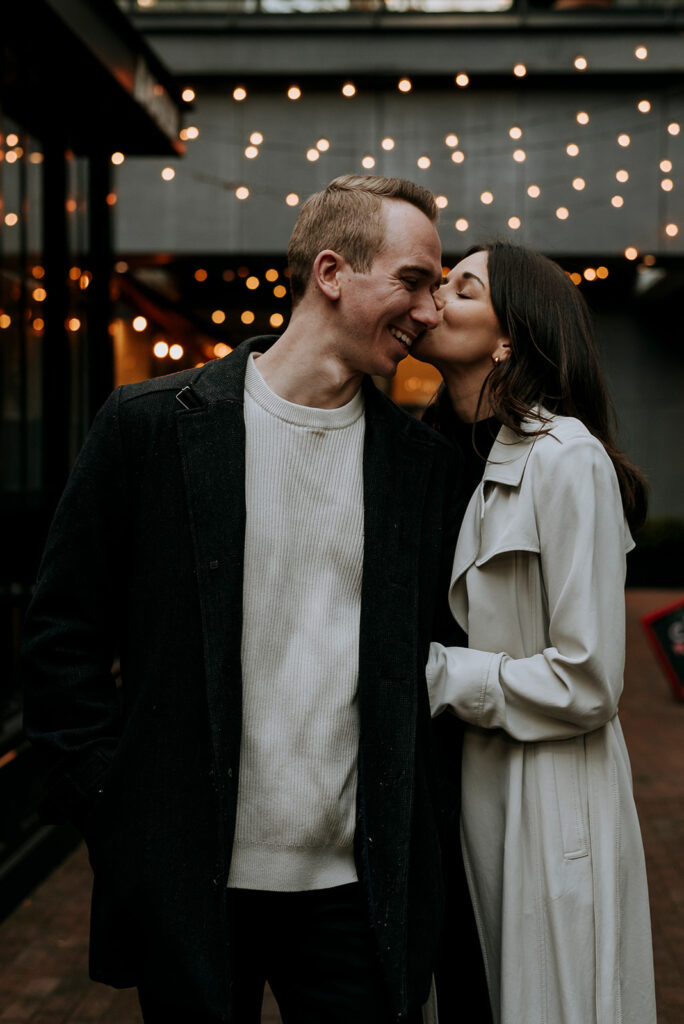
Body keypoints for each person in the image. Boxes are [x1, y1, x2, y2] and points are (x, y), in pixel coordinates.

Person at [21, 175, 465, 1024]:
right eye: (414, 281)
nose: (432, 310)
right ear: (330, 272)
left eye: (441, 287)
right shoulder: (149, 427)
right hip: (192, 882)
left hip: (356, 894)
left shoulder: (422, 468)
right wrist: (115, 807)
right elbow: (61, 636)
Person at [413, 241, 657, 1024]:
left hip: (543, 799)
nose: (436, 296)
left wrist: (437, 676)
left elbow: (589, 681)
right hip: (448, 801)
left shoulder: (565, 459)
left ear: (508, 336)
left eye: (462, 287)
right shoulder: (422, 454)